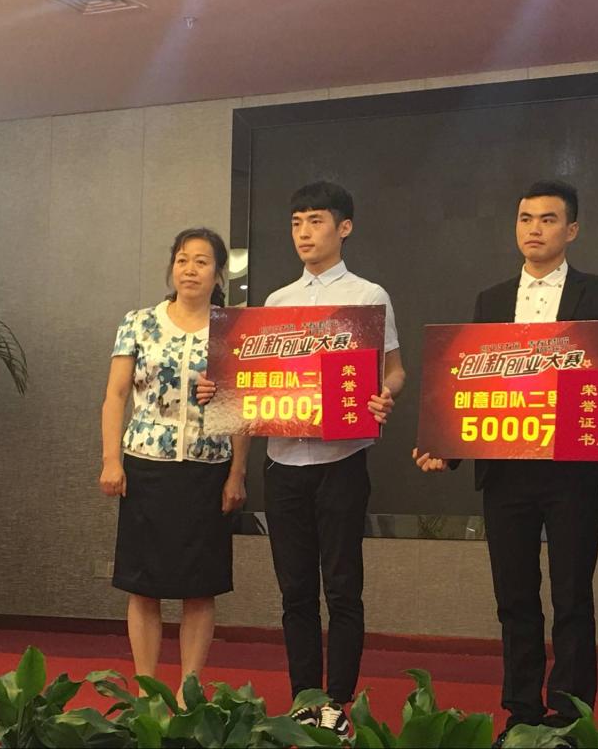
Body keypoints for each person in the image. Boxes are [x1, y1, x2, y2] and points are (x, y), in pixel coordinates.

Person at [414, 180, 598, 747]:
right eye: (525, 219)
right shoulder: (491, 300)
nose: (534, 229)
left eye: (547, 219)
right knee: (514, 598)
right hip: (506, 472)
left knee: (572, 597)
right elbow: (472, 390)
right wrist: (445, 448)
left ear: (572, 230)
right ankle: (520, 713)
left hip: (573, 471)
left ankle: (569, 717)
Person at [199, 181, 405, 739]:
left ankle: (339, 702)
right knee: (294, 591)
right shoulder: (276, 303)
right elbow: (248, 386)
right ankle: (304, 699)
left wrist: (384, 395)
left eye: (315, 221)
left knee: (342, 586)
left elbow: (394, 369)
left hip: (343, 460)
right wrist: (219, 391)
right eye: (296, 223)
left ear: (344, 227)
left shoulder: (368, 295)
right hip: (284, 462)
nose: (304, 233)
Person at [99, 227, 248, 707]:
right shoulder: (139, 323)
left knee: (199, 588)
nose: (190, 269)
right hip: (147, 465)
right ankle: (146, 690)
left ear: (218, 273)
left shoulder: (232, 330)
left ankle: (188, 691)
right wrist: (110, 460)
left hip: (207, 468)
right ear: (172, 267)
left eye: (202, 261)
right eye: (183, 260)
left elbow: (242, 407)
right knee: (143, 586)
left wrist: (237, 474)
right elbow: (115, 395)